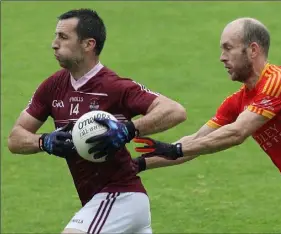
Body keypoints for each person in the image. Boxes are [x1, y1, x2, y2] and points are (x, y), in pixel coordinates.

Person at [132, 18, 281, 234]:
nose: (222, 57)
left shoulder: (280, 81)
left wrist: (176, 149)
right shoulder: (236, 102)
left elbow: (237, 133)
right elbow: (196, 140)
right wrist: (136, 165)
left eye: (228, 48)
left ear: (253, 50)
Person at [7, 8, 187, 234]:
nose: (54, 44)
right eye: (56, 36)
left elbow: (175, 110)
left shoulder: (114, 86)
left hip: (121, 195)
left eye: (63, 37)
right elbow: (15, 138)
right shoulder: (53, 87)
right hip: (103, 202)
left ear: (88, 44)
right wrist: (44, 142)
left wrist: (128, 130)